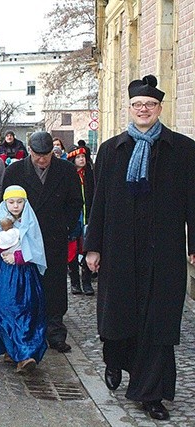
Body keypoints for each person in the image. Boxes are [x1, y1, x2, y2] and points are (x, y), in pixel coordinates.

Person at [84, 75, 195, 421]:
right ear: (129, 109)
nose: (143, 109)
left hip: (163, 251)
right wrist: (93, 247)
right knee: (119, 316)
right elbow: (97, 201)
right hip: (119, 250)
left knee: (159, 322)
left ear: (160, 108)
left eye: (149, 104)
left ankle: (151, 394)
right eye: (137, 105)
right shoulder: (112, 149)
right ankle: (115, 360)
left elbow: (194, 201)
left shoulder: (183, 149)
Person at [2, 131, 82, 354]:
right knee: (26, 285)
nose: (42, 160)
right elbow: (5, 202)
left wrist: (65, 225)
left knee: (55, 285)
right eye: (38, 155)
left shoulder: (65, 170)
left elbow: (76, 201)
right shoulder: (15, 171)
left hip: (53, 237)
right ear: (29, 151)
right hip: (24, 238)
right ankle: (27, 331)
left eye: (46, 155)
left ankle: (55, 331)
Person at [0, 185, 47, 374]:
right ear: (5, 203)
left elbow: (35, 246)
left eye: (20, 202)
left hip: (24, 275)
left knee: (26, 309)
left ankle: (25, 353)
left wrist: (19, 257)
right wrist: (5, 241)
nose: (16, 206)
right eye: (11, 202)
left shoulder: (30, 222)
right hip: (3, 273)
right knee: (2, 308)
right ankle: (12, 348)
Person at [66, 147, 94, 296]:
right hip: (74, 219)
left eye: (83, 156)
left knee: (87, 249)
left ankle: (87, 281)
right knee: (72, 251)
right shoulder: (68, 175)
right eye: (78, 157)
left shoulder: (91, 175)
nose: (81, 159)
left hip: (88, 217)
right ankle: (75, 282)